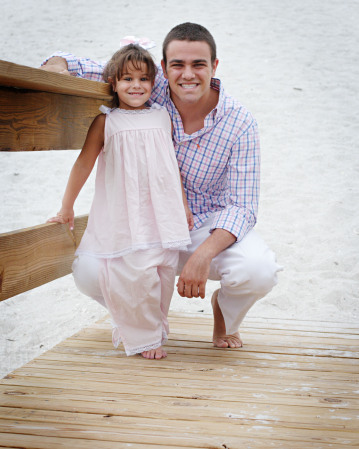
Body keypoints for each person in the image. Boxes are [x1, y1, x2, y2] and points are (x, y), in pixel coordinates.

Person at [42, 23, 282, 350]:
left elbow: (242, 207)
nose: (187, 74)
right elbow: (96, 67)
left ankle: (225, 316)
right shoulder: (148, 88)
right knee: (87, 272)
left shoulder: (240, 122)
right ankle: (137, 321)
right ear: (164, 69)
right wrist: (57, 65)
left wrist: (203, 255)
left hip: (204, 227)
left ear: (214, 66)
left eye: (198, 64)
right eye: (177, 65)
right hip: (146, 227)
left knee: (258, 271)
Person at [47, 44, 193, 360]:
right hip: (127, 212)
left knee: (163, 270)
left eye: (143, 79)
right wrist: (66, 205)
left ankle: (152, 327)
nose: (136, 86)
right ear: (113, 83)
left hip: (162, 212)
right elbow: (84, 163)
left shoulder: (162, 116)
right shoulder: (106, 122)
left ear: (154, 84)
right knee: (133, 271)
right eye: (127, 79)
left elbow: (171, 167)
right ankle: (144, 336)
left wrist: (182, 205)